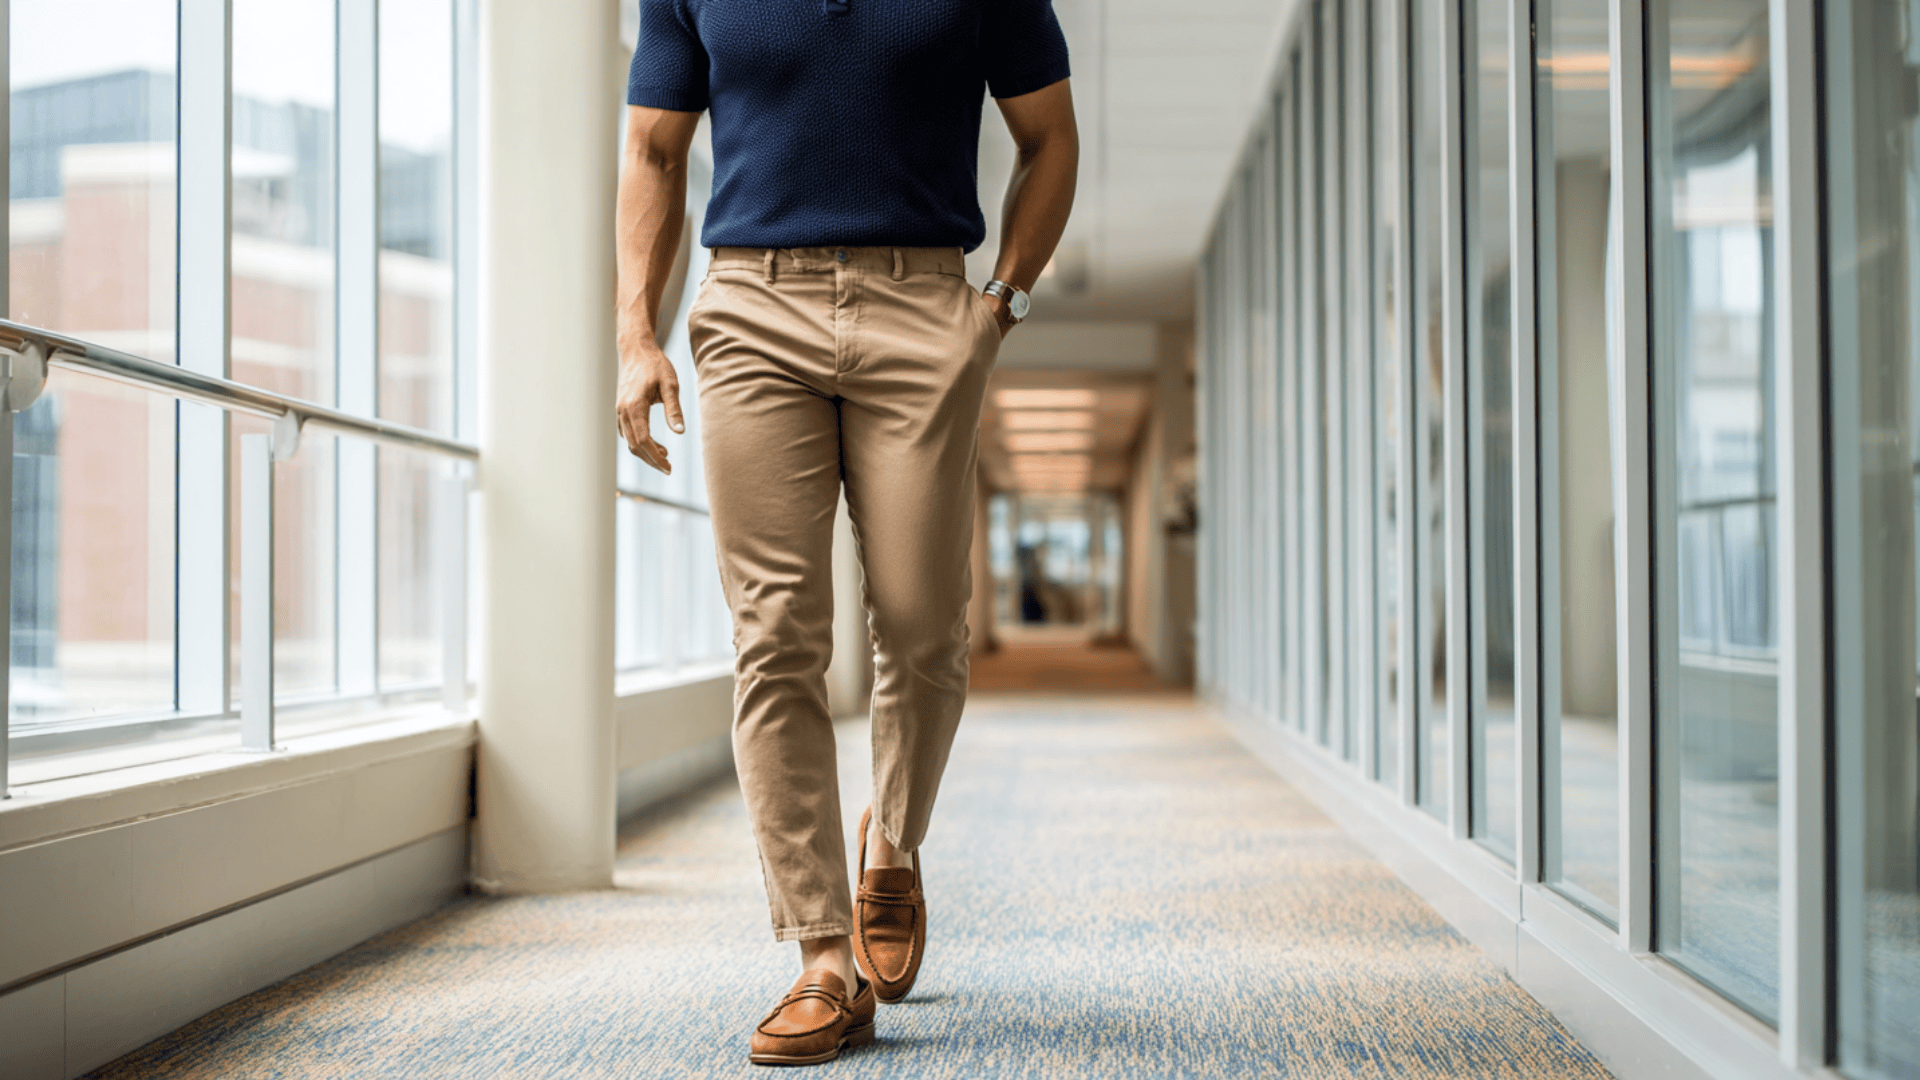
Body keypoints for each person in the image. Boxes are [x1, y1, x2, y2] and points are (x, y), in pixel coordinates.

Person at [612, 0, 1079, 1066]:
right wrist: (637, 333)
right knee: (775, 630)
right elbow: (654, 144)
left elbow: (1049, 138)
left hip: (923, 305)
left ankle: (894, 843)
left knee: (920, 626)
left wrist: (998, 303)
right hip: (751, 308)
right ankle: (822, 954)